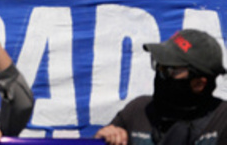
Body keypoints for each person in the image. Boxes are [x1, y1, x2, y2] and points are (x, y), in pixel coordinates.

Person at [97, 30, 227, 145]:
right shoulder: (138, 111)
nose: (160, 73)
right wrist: (102, 139)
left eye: (168, 70)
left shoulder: (222, 120)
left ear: (198, 84)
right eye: (158, 66)